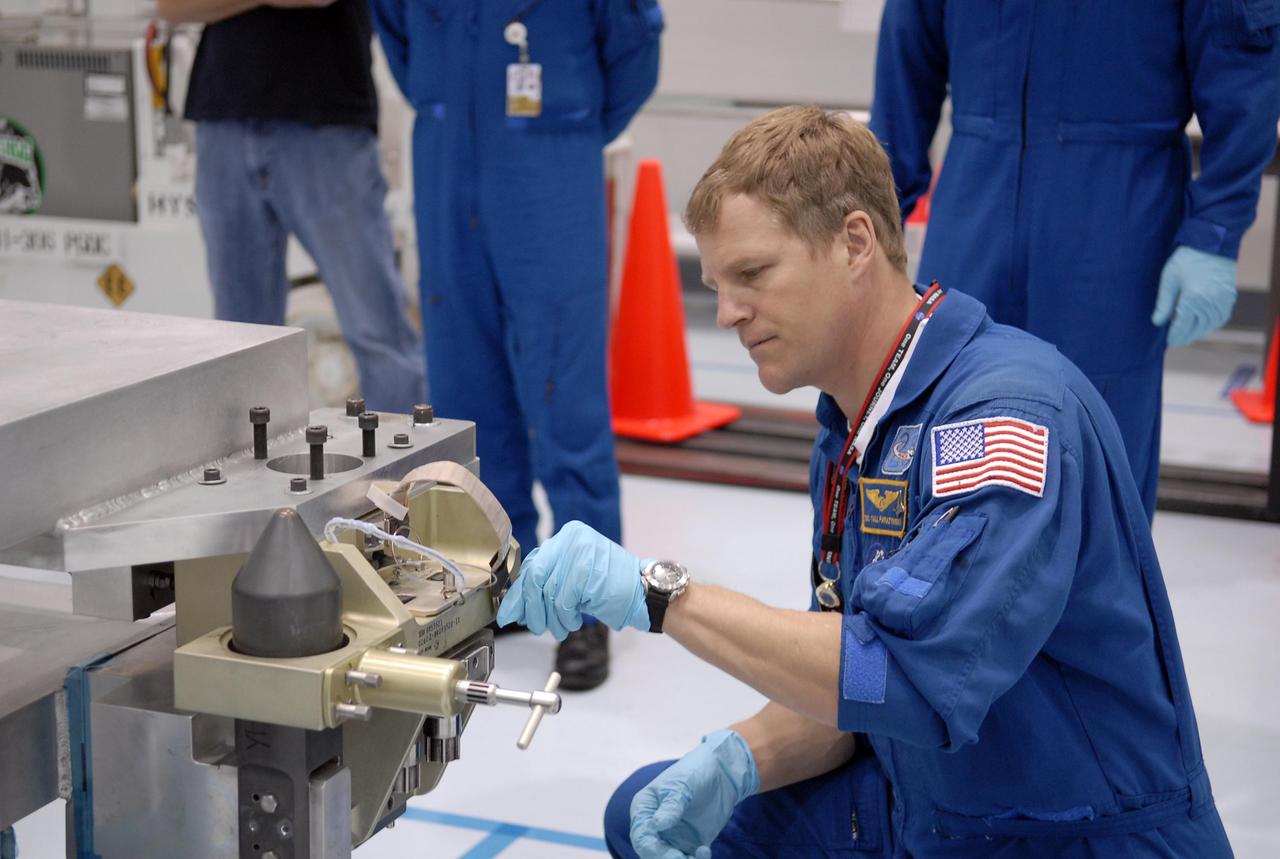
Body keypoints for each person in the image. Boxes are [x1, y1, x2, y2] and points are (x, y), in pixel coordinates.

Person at [498, 107, 1232, 858]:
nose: (725, 313)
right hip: (930, 804)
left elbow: (911, 679)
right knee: (645, 812)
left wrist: (660, 594)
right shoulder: (858, 423)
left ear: (855, 242)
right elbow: (855, 680)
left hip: (1068, 830)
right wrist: (738, 756)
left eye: (752, 274)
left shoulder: (1005, 419)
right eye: (718, 283)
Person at [870, 0, 1280, 519]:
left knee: (1096, 458)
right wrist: (876, 220)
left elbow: (1242, 72)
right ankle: (945, 596)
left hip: (1115, 227)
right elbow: (906, 56)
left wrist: (1214, 233)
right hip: (974, 207)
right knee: (951, 432)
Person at [369, 0, 664, 690]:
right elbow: (400, 39)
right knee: (467, 390)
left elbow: (635, 49)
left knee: (566, 393)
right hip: (446, 161)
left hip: (548, 162)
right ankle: (495, 577)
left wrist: (568, 124)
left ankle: (589, 599)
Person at [160, 0, 425, 413]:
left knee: (377, 329)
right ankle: (244, 471)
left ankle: (406, 472)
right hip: (224, 122)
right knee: (239, 340)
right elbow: (172, 6)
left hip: (327, 125)